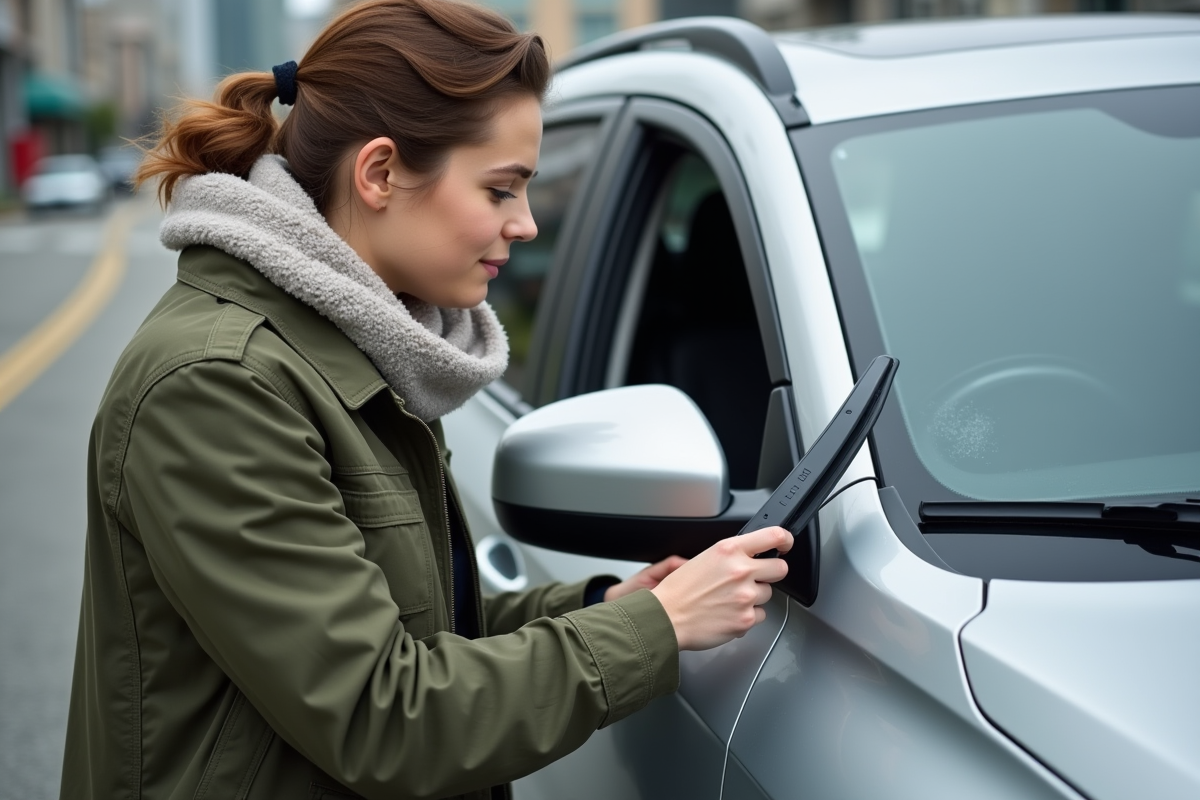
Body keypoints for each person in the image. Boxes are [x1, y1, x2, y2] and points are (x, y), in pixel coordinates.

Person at [60, 1, 793, 798]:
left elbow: (416, 621)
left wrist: (608, 605)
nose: (525, 225)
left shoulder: (360, 342)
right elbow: (383, 716)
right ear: (379, 173)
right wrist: (656, 628)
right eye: (501, 190)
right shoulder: (219, 385)